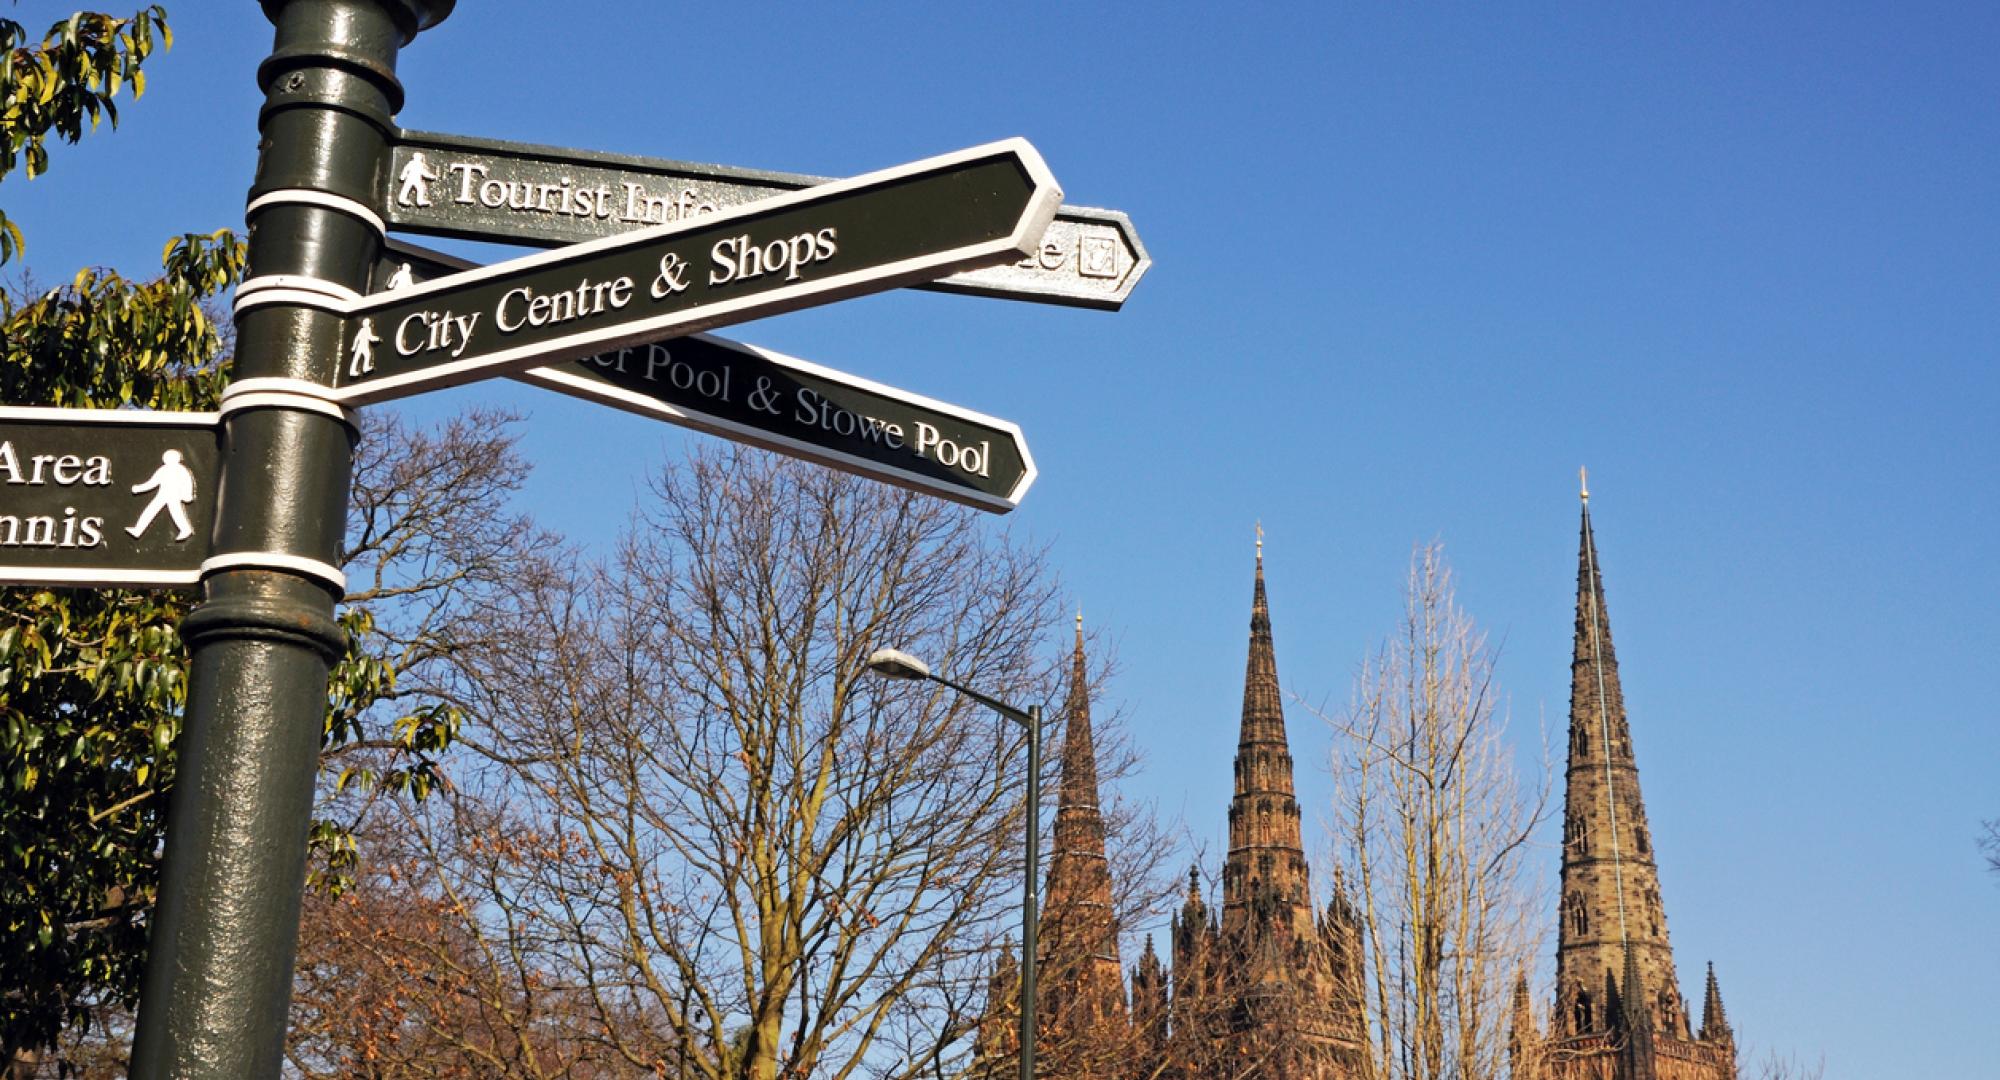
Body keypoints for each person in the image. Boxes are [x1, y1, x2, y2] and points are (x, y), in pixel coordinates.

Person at [126, 449, 197, 541]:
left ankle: (185, 529)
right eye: (166, 457)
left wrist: (188, 494)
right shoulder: (163, 470)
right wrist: (139, 488)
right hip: (163, 494)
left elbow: (188, 482)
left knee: (176, 513)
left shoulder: (181, 470)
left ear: (177, 458)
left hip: (174, 495)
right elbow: (153, 482)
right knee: (151, 510)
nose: (166, 459)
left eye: (169, 457)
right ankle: (138, 530)